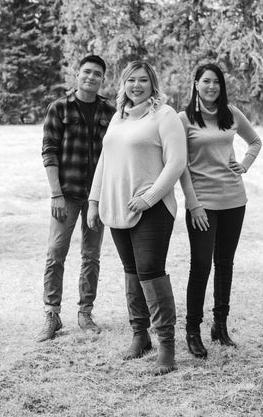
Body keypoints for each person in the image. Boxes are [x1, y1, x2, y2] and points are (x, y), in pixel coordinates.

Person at [87, 60, 187, 375]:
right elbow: (104, 161)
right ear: (123, 84)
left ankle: (166, 346)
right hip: (117, 206)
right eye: (131, 80)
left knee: (150, 271)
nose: (137, 85)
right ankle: (139, 335)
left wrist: (149, 197)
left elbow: (176, 162)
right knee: (131, 271)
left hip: (152, 208)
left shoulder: (165, 115)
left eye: (143, 80)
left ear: (152, 84)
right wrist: (94, 201)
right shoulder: (118, 117)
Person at [179, 63, 262, 358]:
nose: (211, 86)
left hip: (234, 199)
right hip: (202, 202)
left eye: (216, 82)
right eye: (205, 81)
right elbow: (181, 166)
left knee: (224, 263)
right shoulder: (184, 119)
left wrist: (245, 165)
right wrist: (193, 203)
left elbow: (255, 141)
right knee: (201, 265)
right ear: (196, 84)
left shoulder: (231, 113)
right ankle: (192, 330)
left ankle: (220, 326)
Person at [37, 55, 115, 342]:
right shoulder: (59, 108)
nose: (91, 77)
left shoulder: (111, 111)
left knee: (91, 256)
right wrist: (55, 193)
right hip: (66, 194)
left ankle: (85, 312)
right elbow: (49, 152)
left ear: (102, 79)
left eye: (97, 73)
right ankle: (51, 314)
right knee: (56, 253)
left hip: (97, 197)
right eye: (86, 72)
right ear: (77, 74)